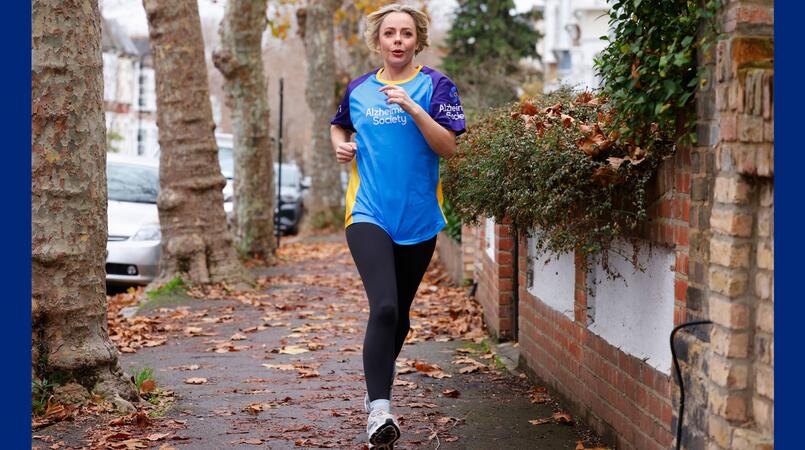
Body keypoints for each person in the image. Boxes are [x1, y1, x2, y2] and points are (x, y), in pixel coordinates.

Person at [329, 3, 465, 449]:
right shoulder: (360, 89)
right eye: (390, 33)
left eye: (406, 34)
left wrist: (413, 108)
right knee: (384, 308)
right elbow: (338, 126)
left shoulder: (437, 86)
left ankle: (375, 390)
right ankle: (380, 410)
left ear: (417, 40)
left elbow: (449, 148)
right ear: (379, 41)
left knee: (400, 318)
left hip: (420, 218)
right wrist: (343, 146)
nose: (398, 41)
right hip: (367, 212)